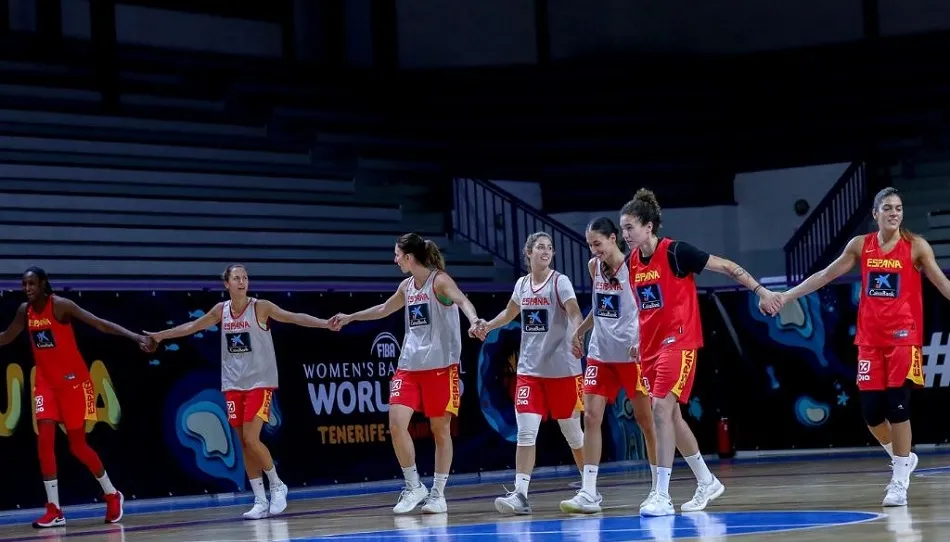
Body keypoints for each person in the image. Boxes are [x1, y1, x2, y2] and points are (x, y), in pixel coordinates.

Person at [762, 186, 942, 507]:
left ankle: (899, 480)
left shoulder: (916, 248)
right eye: (887, 208)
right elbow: (826, 275)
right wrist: (788, 296)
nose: (894, 213)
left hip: (903, 337)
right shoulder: (861, 246)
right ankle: (902, 457)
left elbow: (943, 283)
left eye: (898, 208)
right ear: (875, 214)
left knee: (897, 405)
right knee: (872, 415)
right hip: (870, 341)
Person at [622, 188, 780, 517]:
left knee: (661, 410)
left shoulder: (677, 252)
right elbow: (646, 308)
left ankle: (661, 494)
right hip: (649, 349)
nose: (625, 234)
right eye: (623, 229)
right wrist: (639, 338)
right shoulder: (632, 262)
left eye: (629, 227)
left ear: (648, 226)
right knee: (672, 418)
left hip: (679, 342)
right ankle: (706, 480)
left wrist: (760, 290)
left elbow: (727, 267)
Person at [145, 264, 333, 520]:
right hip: (234, 385)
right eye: (236, 278)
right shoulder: (220, 311)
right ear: (227, 284)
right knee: (243, 443)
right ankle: (259, 499)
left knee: (252, 439)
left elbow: (294, 316)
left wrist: (324, 323)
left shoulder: (260, 307)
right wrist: (161, 335)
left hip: (260, 383)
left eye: (245, 277)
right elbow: (192, 326)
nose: (242, 281)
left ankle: (277, 485)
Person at [329, 234, 483, 515]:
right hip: (409, 367)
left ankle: (438, 493)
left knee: (440, 431)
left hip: (440, 367)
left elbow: (462, 301)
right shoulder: (406, 286)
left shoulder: (439, 281)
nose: (395, 259)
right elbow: (384, 309)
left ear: (409, 257)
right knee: (397, 423)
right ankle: (414, 486)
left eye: (397, 254)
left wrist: (474, 321)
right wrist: (351, 317)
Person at [0, 267, 154, 528]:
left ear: (44, 283)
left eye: (32, 284)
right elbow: (5, 337)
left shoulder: (61, 306)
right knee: (44, 442)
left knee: (77, 446)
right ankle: (54, 509)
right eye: (24, 284)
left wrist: (135, 336)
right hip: (45, 385)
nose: (27, 289)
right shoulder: (23, 311)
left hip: (74, 383)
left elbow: (100, 324)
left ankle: (112, 493)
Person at [473, 232, 586, 515]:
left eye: (549, 247)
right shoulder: (522, 284)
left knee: (573, 433)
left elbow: (573, 311)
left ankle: (590, 487)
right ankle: (520, 495)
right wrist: (488, 326)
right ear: (529, 254)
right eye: (540, 247)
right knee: (526, 433)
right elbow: (510, 313)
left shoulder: (560, 282)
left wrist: (578, 332)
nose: (546, 251)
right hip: (530, 372)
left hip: (563, 372)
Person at [559, 217, 658, 514]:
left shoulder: (635, 268)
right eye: (590, 244)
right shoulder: (594, 268)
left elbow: (647, 311)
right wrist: (580, 330)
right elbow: (599, 307)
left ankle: (658, 488)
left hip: (631, 356)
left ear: (613, 238)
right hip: (601, 354)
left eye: (597, 243)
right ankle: (589, 491)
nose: (594, 249)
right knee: (590, 417)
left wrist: (642, 341)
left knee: (645, 421)